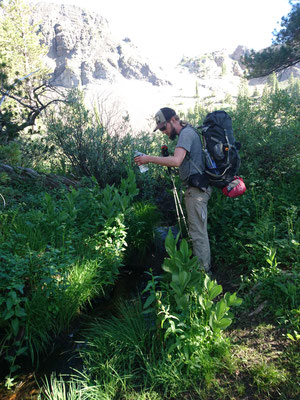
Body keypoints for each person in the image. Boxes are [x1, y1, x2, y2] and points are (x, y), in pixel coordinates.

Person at [134, 107, 212, 273]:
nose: (163, 132)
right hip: (195, 189)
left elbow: (176, 161)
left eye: (164, 127)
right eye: (160, 129)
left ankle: (204, 274)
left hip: (196, 191)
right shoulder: (187, 133)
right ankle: (200, 270)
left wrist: (148, 159)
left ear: (174, 120)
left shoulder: (186, 134)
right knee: (196, 231)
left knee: (198, 234)